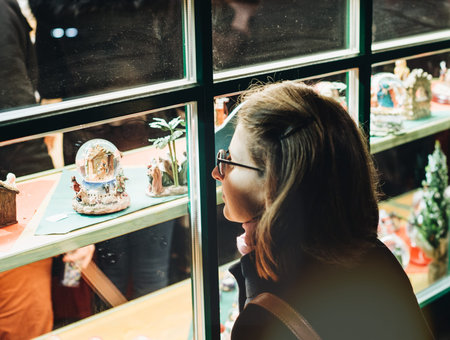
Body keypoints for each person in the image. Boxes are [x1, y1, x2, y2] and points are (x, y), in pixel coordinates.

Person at [211, 81, 434, 339]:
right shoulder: (378, 256)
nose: (217, 172)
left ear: (273, 185)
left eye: (229, 160)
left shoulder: (265, 318)